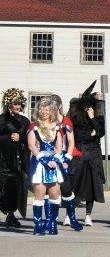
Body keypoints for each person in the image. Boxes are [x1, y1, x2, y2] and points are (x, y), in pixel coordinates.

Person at [69, 82, 105, 226]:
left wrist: (92, 119)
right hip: (79, 154)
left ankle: (88, 215)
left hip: (93, 155)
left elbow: (100, 132)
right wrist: (91, 134)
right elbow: (78, 135)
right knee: (74, 184)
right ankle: (69, 214)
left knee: (91, 185)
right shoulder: (76, 118)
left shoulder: (97, 118)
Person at [27, 97, 64, 235]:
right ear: (38, 110)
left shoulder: (57, 126)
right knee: (40, 196)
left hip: (53, 163)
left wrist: (56, 158)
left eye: (47, 109)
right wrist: (42, 158)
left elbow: (59, 146)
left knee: (55, 195)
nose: (44, 112)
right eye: (42, 109)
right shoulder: (34, 126)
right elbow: (32, 145)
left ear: (51, 111)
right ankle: (38, 225)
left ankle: (52, 224)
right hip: (39, 163)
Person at [51, 94, 83, 231]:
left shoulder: (66, 121)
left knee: (65, 188)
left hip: (64, 156)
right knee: (51, 188)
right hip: (50, 157)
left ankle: (72, 218)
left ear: (59, 106)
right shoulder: (46, 121)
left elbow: (71, 142)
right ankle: (51, 220)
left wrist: (67, 158)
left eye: (53, 105)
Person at [0, 88, 30, 228]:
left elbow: (30, 139)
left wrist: (20, 138)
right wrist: (8, 137)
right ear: (8, 104)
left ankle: (11, 215)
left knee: (17, 187)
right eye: (14, 103)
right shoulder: (2, 120)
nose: (17, 106)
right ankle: (8, 213)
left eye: (19, 103)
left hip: (20, 158)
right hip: (5, 159)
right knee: (4, 187)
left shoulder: (25, 121)